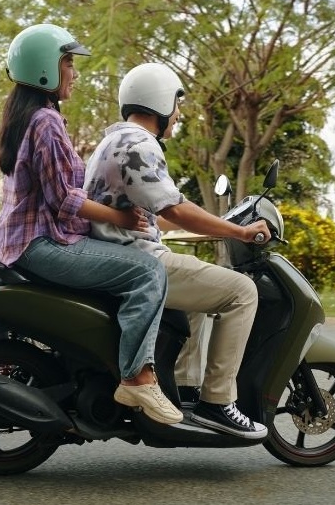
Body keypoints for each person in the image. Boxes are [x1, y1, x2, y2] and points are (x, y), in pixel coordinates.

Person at [0, 24, 182, 425]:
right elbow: (65, 198)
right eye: (68, 63)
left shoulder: (30, 117)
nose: (75, 73)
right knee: (147, 271)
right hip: (41, 243)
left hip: (27, 242)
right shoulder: (45, 121)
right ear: (46, 68)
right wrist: (121, 217)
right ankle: (137, 377)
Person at [83, 62, 271, 439]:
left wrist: (215, 232)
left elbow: (155, 214)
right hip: (137, 262)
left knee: (203, 296)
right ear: (160, 102)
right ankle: (218, 402)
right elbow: (175, 208)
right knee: (242, 291)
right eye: (177, 105)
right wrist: (242, 232)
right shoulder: (140, 144)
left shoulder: (114, 140)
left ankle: (185, 388)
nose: (179, 114)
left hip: (116, 252)